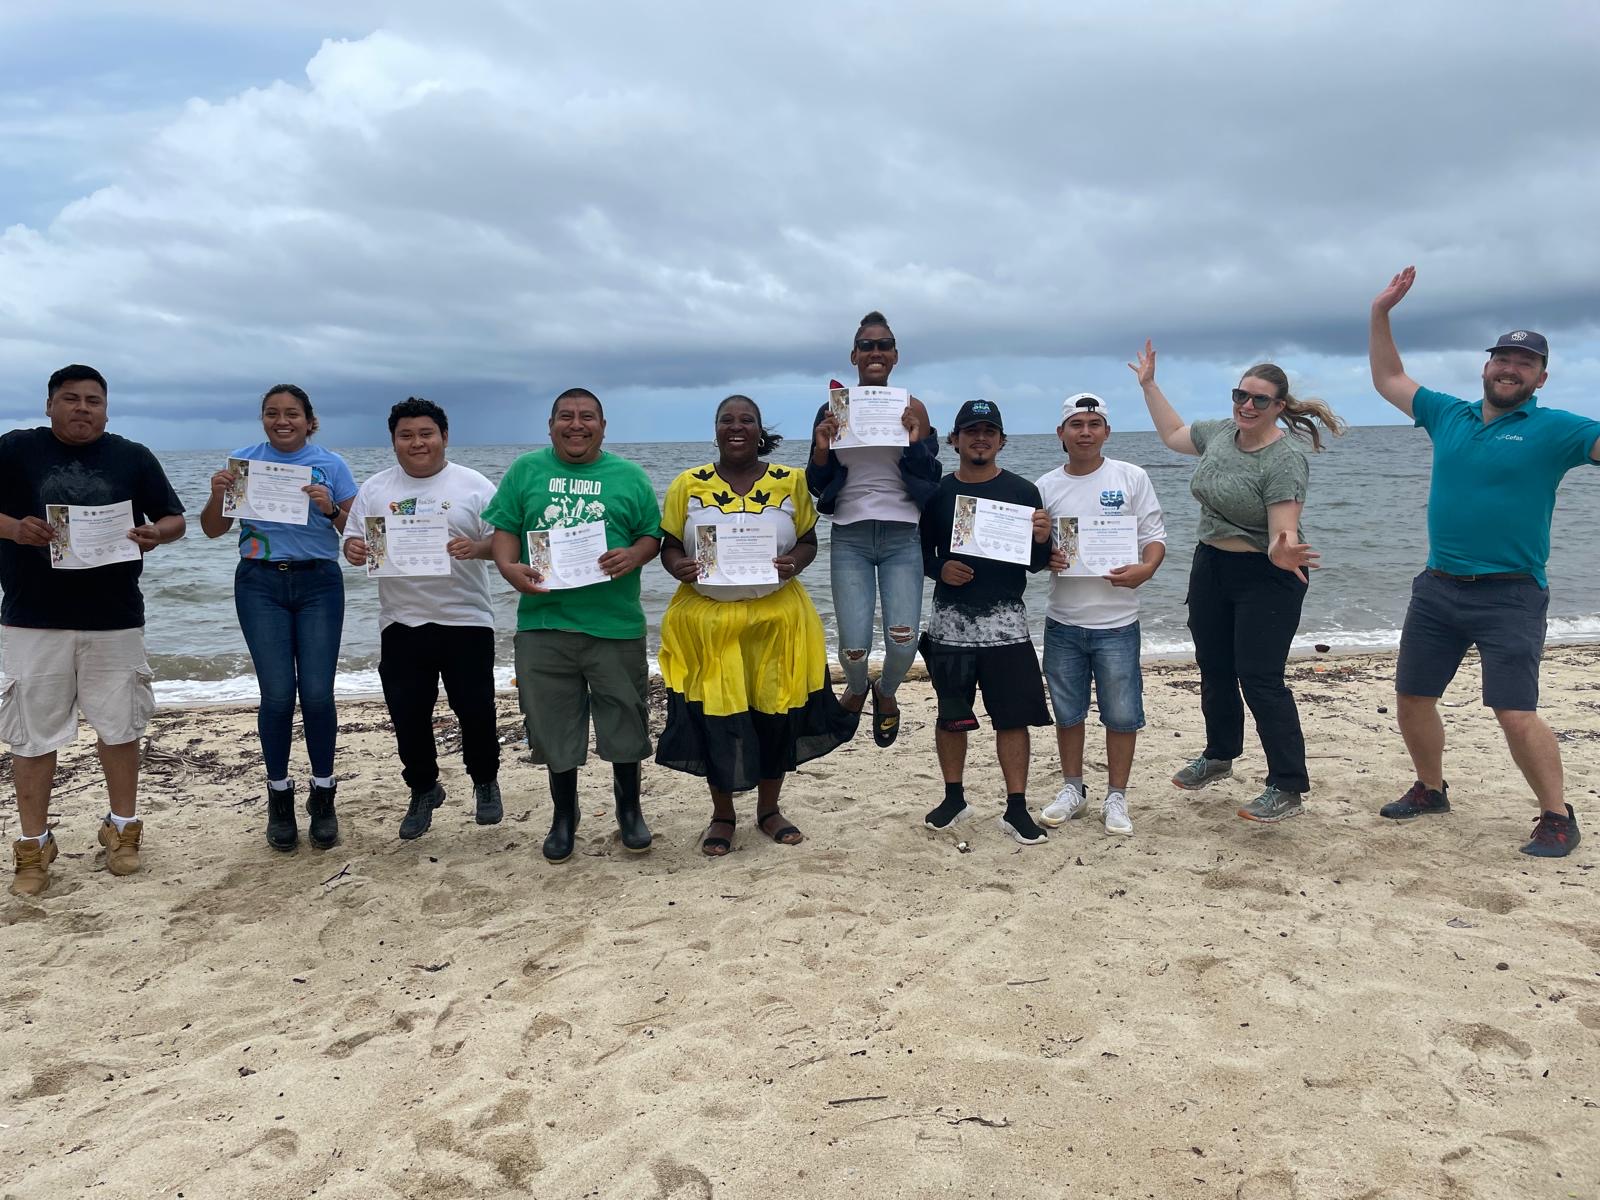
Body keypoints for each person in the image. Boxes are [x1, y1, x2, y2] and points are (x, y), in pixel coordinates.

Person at [1369, 266, 1600, 857]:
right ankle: (1430, 788)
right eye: (1502, 358)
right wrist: (1381, 312)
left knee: (1514, 711)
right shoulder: (1449, 414)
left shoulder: (1560, 429)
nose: (1510, 368)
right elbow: (1389, 376)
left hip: (1512, 593)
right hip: (1438, 587)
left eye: (1524, 363)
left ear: (1541, 377)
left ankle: (1556, 815)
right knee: (1413, 697)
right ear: (1485, 367)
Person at [1132, 340, 1344, 823]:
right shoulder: (1220, 434)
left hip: (1269, 573)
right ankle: (1220, 754)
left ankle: (1287, 786)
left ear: (1279, 407)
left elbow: (1280, 535)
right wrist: (1149, 385)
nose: (1247, 405)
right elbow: (1173, 434)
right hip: (1212, 565)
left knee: (1260, 678)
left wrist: (1284, 549)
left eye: (1259, 400)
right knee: (1214, 666)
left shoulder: (1284, 459)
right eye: (1240, 395)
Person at [1, 365, 186, 896]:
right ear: (49, 404)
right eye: (71, 398)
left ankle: (123, 831)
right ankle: (34, 845)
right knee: (31, 736)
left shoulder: (133, 456)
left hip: (115, 617)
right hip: (32, 618)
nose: (83, 408)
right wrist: (14, 529)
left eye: (93, 400)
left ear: (106, 407)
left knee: (121, 727)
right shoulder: (14, 450)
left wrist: (156, 533)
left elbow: (173, 519)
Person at [656, 395, 858, 856]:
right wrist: (679, 566)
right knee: (714, 719)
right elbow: (668, 543)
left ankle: (769, 810)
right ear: (715, 430)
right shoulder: (688, 484)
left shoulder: (791, 482)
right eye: (726, 420)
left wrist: (793, 564)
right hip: (707, 623)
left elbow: (807, 540)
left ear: (760, 429)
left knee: (776, 716)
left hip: (777, 621)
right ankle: (722, 814)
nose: (736, 426)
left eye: (746, 419)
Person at [483, 388, 661, 863]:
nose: (576, 424)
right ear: (550, 424)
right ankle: (565, 815)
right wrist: (507, 567)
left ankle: (629, 810)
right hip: (544, 625)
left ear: (603, 426)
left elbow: (652, 535)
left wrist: (634, 554)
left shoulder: (630, 476)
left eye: (587, 417)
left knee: (625, 722)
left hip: (615, 626)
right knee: (553, 729)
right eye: (566, 416)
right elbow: (504, 529)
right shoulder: (526, 470)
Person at [199, 384, 357, 852]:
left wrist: (329, 507)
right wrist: (216, 494)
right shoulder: (243, 461)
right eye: (272, 413)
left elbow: (359, 533)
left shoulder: (332, 464)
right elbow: (212, 530)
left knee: (316, 693)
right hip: (259, 583)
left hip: (319, 583)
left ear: (310, 420)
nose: (282, 420)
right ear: (263, 418)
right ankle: (279, 795)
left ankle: (324, 794)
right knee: (277, 695)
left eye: (292, 413)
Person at [341, 398, 503, 841]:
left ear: (444, 437)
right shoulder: (375, 489)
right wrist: (353, 550)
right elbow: (355, 544)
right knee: (408, 714)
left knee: (475, 710)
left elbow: (503, 545)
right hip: (401, 620)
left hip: (466, 617)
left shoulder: (474, 486)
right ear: (393, 441)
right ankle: (423, 788)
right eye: (406, 435)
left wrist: (478, 548)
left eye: (426, 434)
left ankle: (485, 782)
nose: (417, 442)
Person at [918, 400, 1055, 845]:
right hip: (949, 623)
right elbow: (916, 553)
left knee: (1012, 719)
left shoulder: (1023, 491)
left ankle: (1016, 808)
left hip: (1006, 623)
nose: (981, 438)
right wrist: (940, 569)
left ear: (1001, 440)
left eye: (989, 431)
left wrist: (1042, 537)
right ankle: (954, 796)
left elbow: (1035, 564)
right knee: (950, 716)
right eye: (971, 431)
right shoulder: (935, 492)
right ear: (954, 440)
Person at [807, 312, 942, 747]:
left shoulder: (913, 407)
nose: (876, 352)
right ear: (854, 355)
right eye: (867, 346)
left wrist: (917, 441)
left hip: (903, 535)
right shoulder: (833, 409)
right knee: (853, 647)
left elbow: (931, 479)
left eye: (883, 345)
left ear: (895, 355)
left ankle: (886, 693)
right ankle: (859, 685)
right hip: (850, 535)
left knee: (903, 644)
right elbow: (816, 484)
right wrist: (823, 450)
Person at [1035, 393, 1166, 837]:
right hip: (1064, 619)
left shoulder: (1132, 477)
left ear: (1106, 431)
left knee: (1122, 714)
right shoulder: (1045, 486)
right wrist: (1045, 554)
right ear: (1061, 434)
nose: (1085, 432)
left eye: (1094, 424)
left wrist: (1146, 570)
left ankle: (1117, 796)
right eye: (1076, 424)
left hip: (1117, 622)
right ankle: (1073, 788)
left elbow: (1154, 537)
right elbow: (1034, 547)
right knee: (1068, 712)